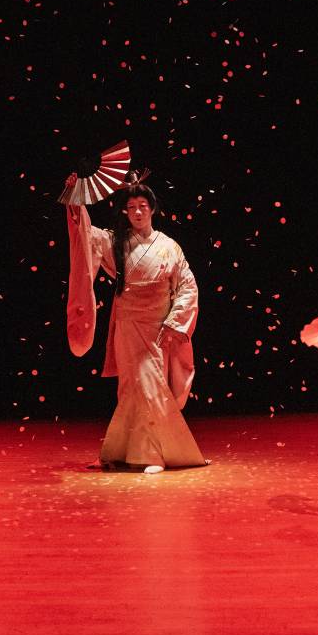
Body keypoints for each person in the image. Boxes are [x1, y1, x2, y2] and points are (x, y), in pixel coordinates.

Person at [65, 176, 207, 473]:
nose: (138, 212)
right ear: (126, 212)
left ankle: (152, 453)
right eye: (132, 207)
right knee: (131, 387)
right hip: (127, 324)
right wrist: (75, 197)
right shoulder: (117, 242)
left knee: (150, 385)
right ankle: (122, 452)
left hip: (157, 325)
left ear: (153, 209)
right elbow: (85, 236)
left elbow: (187, 286)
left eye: (143, 206)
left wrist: (175, 320)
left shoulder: (169, 247)